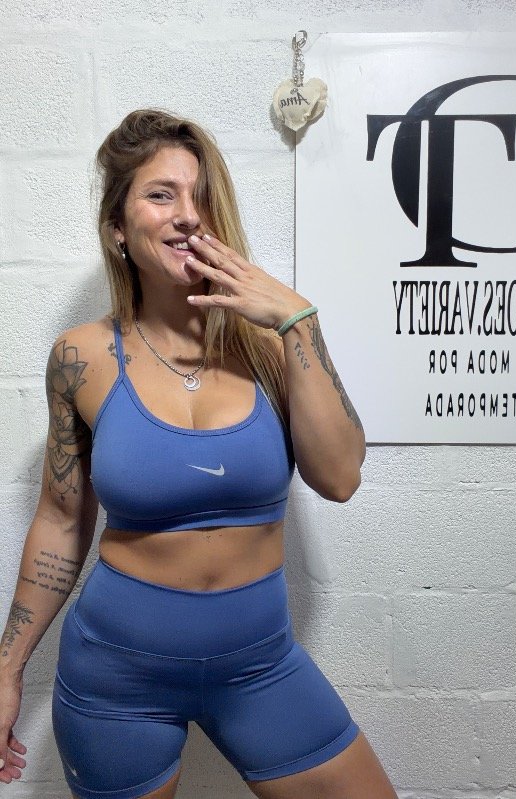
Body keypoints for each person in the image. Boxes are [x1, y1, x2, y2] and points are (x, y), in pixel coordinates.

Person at [0, 109, 396, 799]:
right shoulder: (81, 356)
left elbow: (339, 478)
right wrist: (7, 671)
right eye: (162, 195)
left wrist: (298, 319)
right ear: (118, 227)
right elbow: (61, 519)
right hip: (115, 675)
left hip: (260, 667)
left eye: (202, 196)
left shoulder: (271, 344)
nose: (188, 214)